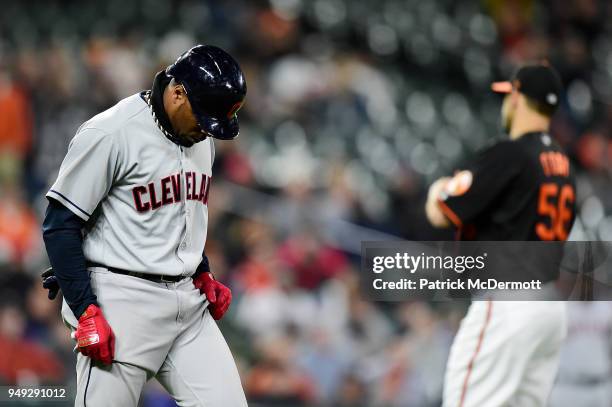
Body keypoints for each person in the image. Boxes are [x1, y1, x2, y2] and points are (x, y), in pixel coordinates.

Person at [41, 44, 248, 406]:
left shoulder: (202, 140)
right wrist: (85, 308)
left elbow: (176, 217)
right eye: (202, 117)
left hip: (187, 305)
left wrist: (200, 270)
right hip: (122, 302)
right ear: (178, 92)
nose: (207, 130)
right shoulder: (111, 132)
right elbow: (60, 225)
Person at [425, 63, 576, 406]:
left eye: (508, 97)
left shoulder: (511, 152)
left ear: (519, 99)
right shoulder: (562, 162)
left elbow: (441, 212)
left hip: (508, 303)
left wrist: (438, 188)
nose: (506, 105)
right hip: (548, 307)